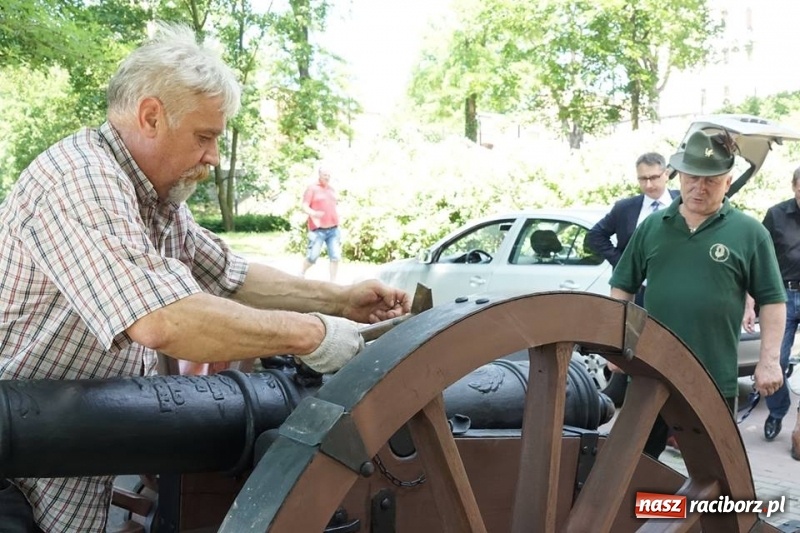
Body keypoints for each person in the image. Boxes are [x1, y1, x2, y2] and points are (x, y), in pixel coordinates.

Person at [0, 24, 409, 533]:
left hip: (65, 455)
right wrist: (313, 336)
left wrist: (342, 301)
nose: (214, 156)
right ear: (151, 117)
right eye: (204, 136)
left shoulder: (154, 199)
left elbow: (230, 277)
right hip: (15, 465)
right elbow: (161, 320)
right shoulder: (81, 179)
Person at [609, 129, 786, 459]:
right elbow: (623, 287)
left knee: (714, 471)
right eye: (692, 178)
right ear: (680, 175)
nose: (699, 188)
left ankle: (699, 512)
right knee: (631, 467)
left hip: (713, 379)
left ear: (728, 182)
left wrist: (769, 361)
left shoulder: (749, 233)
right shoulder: (652, 226)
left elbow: (774, 300)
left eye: (711, 180)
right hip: (650, 372)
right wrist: (619, 343)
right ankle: (649, 512)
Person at [743, 167, 800, 460]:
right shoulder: (776, 215)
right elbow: (758, 260)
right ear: (794, 186)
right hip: (782, 296)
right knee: (774, 357)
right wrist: (750, 300)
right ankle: (777, 411)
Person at [587, 152, 679, 306]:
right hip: (637, 291)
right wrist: (621, 262)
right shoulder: (625, 208)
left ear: (666, 174)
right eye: (643, 179)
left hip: (675, 288)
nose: (648, 185)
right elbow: (596, 234)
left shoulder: (686, 202)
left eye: (654, 177)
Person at [301, 166, 342, 282]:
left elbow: (334, 205)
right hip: (318, 230)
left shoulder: (331, 190)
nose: (327, 178)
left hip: (333, 229)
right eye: (325, 175)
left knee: (335, 256)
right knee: (312, 257)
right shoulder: (312, 189)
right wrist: (313, 213)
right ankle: (301, 273)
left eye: (329, 175)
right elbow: (304, 206)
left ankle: (333, 282)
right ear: (319, 175)